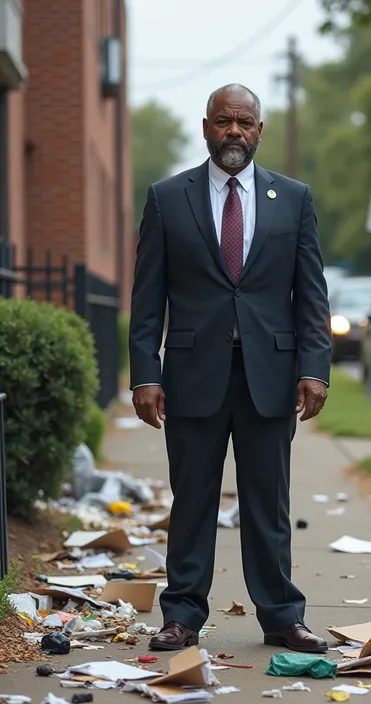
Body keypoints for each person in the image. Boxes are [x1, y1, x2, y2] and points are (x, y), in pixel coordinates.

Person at [129, 83, 332, 653]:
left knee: (268, 503)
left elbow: (311, 294)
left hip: (271, 376)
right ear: (206, 127)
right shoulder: (168, 198)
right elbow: (148, 298)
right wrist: (146, 373)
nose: (234, 132)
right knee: (192, 500)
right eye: (224, 122)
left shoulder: (293, 199)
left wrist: (316, 367)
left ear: (260, 131)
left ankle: (281, 616)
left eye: (245, 122)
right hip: (193, 375)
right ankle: (182, 616)